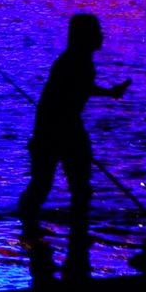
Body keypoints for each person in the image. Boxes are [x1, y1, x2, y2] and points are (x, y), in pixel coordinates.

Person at [17, 12, 131, 214]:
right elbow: (77, 89)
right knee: (66, 187)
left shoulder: (76, 59)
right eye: (97, 32)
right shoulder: (75, 61)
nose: (101, 36)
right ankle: (66, 225)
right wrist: (109, 92)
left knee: (52, 185)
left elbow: (81, 87)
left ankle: (31, 222)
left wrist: (109, 92)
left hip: (57, 129)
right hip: (61, 129)